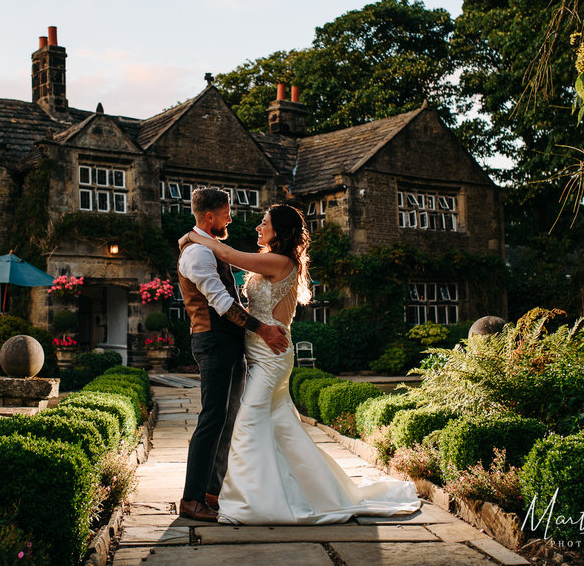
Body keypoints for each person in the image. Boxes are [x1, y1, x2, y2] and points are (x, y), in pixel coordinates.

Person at [182, 203, 422, 524]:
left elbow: (227, 255)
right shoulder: (276, 260)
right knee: (281, 426)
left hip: (271, 353)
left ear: (278, 231)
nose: (257, 228)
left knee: (248, 423)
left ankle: (249, 500)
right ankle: (303, 490)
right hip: (262, 351)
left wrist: (194, 237)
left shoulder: (277, 261)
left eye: (263, 223)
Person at [176, 188, 290, 523]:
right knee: (211, 418)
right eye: (226, 212)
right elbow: (222, 304)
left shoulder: (207, 247)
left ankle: (213, 492)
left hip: (226, 342)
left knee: (227, 418)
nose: (230, 218)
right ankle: (191, 499)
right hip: (212, 341)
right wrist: (263, 329)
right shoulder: (195, 253)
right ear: (209, 216)